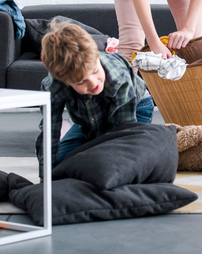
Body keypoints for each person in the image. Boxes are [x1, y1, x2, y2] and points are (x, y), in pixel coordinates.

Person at [34, 20, 154, 178]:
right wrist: (45, 175)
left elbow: (123, 133)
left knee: (109, 162)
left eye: (95, 71)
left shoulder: (119, 79)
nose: (93, 83)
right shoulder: (53, 86)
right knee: (61, 165)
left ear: (97, 56)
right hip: (89, 119)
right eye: (80, 82)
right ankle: (81, 137)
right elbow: (49, 132)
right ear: (65, 81)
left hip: (134, 109)